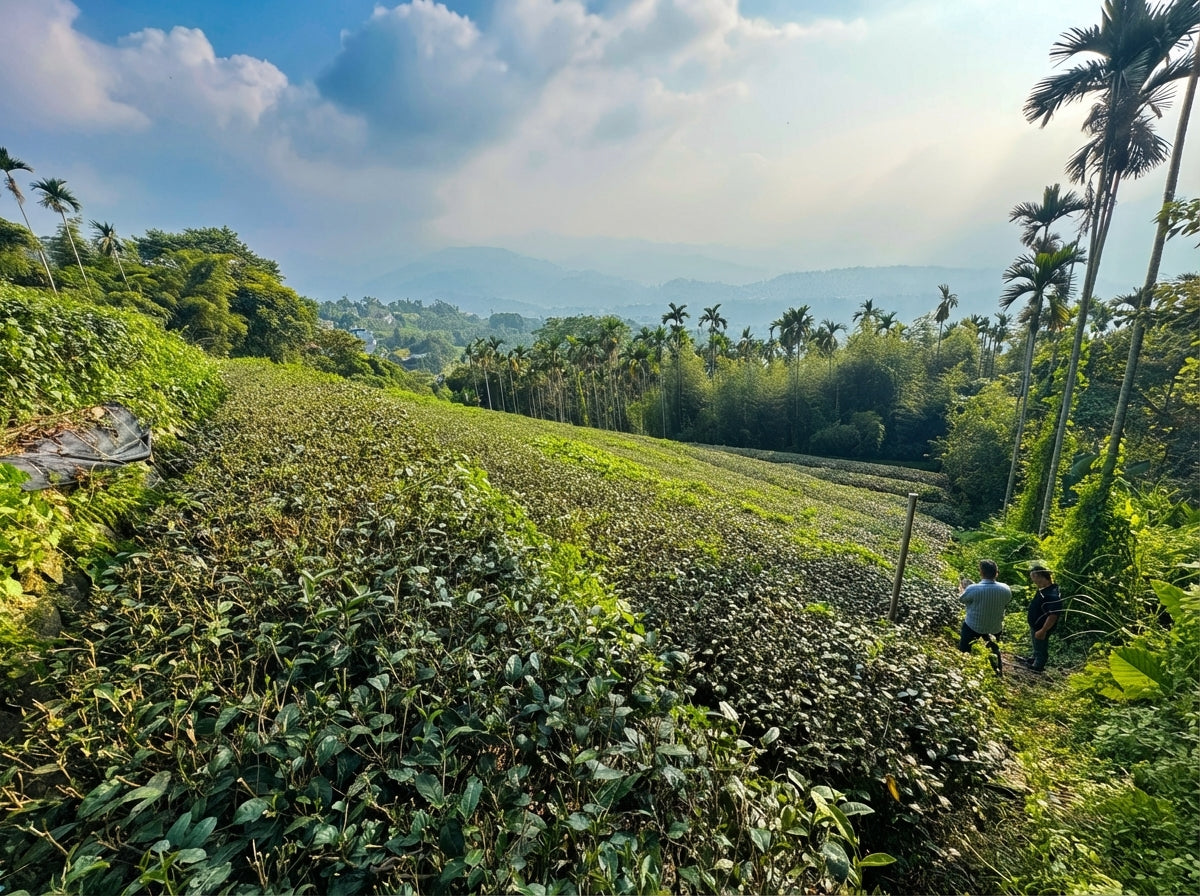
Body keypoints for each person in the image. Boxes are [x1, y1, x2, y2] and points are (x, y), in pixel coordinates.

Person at [958, 559, 1011, 675]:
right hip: (995, 627)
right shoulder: (1006, 589)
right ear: (996, 573)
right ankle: (998, 671)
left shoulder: (973, 588)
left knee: (965, 647)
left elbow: (962, 599)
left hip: (973, 625)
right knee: (994, 648)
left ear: (981, 573)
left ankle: (963, 666)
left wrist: (962, 590)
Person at [1019, 565, 1062, 673]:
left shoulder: (1052, 595)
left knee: (1041, 645)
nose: (1032, 580)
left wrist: (1043, 630)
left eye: (1033, 577)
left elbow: (1053, 616)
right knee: (1036, 644)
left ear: (1039, 576)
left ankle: (1038, 666)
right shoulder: (1043, 590)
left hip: (1042, 627)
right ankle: (1034, 658)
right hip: (1036, 625)